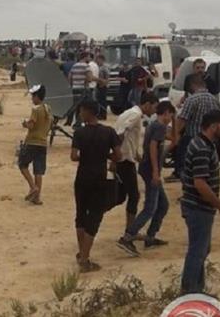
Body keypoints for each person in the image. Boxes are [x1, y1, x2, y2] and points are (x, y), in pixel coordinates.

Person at [180, 110, 220, 294]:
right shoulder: (202, 148)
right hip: (198, 208)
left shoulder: (203, 143)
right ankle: (189, 293)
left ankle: (196, 289)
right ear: (213, 126)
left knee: (201, 249)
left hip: (198, 207)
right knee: (198, 251)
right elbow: (200, 183)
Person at [117, 101, 175, 256]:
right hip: (151, 170)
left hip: (149, 168)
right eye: (171, 115)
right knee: (151, 207)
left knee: (163, 205)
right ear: (166, 113)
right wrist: (156, 172)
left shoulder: (155, 125)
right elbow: (153, 148)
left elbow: (175, 139)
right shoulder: (159, 127)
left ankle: (150, 236)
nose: (171, 119)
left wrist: (175, 121)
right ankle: (128, 236)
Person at [70, 100, 122, 273]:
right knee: (94, 216)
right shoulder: (108, 132)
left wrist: (87, 156)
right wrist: (105, 156)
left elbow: (74, 156)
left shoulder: (79, 133)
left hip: (82, 177)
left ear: (87, 112)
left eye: (81, 111)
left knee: (80, 214)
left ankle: (82, 253)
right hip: (99, 178)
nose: (80, 114)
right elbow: (118, 155)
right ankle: (85, 258)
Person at [113, 92, 159, 237]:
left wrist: (139, 157)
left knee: (122, 195)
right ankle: (130, 230)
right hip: (124, 160)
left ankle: (130, 228)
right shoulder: (135, 115)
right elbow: (121, 135)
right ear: (147, 104)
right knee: (133, 195)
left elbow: (129, 140)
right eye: (154, 107)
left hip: (127, 157)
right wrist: (116, 157)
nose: (154, 111)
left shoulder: (128, 113)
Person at [167, 74, 220, 183]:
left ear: (192, 85)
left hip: (191, 138)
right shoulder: (214, 99)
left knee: (187, 166)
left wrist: (175, 135)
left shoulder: (192, 99)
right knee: (204, 167)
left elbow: (182, 120)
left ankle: (187, 187)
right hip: (209, 139)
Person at [18, 85, 52, 205]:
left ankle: (33, 187)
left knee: (22, 164)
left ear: (37, 96)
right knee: (38, 170)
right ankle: (37, 198)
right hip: (43, 142)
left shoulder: (36, 110)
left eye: (33, 96)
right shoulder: (48, 108)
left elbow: (31, 125)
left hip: (32, 141)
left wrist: (25, 124)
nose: (32, 98)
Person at [67, 52, 92, 128]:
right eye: (88, 57)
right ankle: (78, 124)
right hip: (83, 89)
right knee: (84, 107)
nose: (89, 58)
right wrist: (86, 83)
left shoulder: (74, 66)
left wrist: (72, 85)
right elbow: (89, 78)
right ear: (85, 57)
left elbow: (69, 77)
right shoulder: (86, 66)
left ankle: (76, 123)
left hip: (75, 88)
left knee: (77, 106)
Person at [95, 55, 110, 120]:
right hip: (98, 86)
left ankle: (103, 115)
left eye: (98, 59)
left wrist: (103, 84)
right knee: (99, 101)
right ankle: (99, 114)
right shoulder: (98, 67)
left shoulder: (104, 68)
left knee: (103, 101)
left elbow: (107, 78)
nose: (97, 60)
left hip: (103, 86)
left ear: (102, 60)